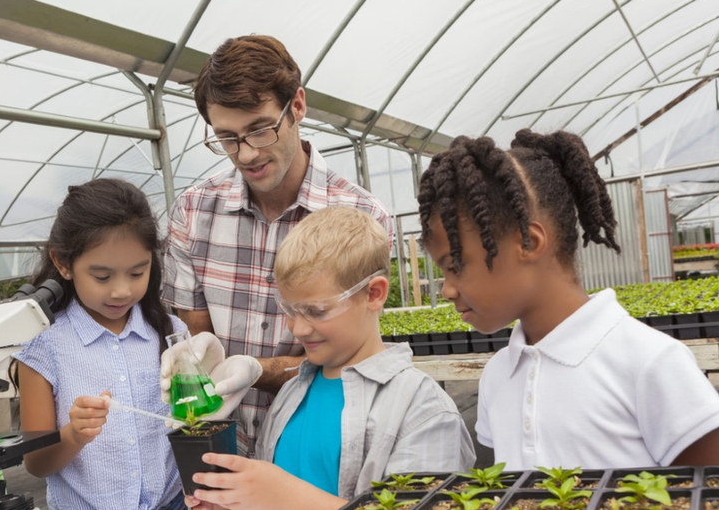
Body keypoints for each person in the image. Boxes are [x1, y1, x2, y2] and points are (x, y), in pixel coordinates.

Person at [417, 129, 719, 468]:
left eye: (456, 265)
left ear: (528, 243)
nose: (447, 290)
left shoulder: (650, 363)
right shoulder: (498, 375)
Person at [163, 35, 396, 455]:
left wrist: (255, 371)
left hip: (319, 449)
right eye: (227, 138)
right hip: (221, 446)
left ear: (298, 107)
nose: (246, 154)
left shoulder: (363, 218)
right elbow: (196, 341)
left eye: (260, 130)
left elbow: (352, 360)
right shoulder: (194, 213)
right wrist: (198, 362)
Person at [185, 206, 475, 510]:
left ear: (374, 294)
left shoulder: (422, 410)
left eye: (316, 311)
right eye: (290, 310)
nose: (299, 328)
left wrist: (285, 495)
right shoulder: (291, 394)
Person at [13, 178, 187, 510]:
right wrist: (74, 436)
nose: (121, 291)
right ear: (63, 263)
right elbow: (35, 464)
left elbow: (193, 423)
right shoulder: (42, 346)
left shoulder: (170, 332)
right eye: (103, 277)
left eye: (137, 273)